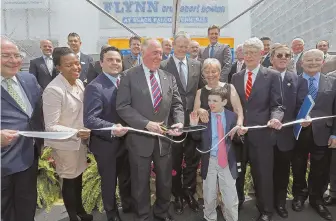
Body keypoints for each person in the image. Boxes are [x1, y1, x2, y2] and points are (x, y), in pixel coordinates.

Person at [116, 38, 184, 221]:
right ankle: (143, 216)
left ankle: (162, 212)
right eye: (155, 52)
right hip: (140, 137)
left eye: (161, 53)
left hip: (164, 140)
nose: (159, 56)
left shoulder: (168, 77)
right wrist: (146, 123)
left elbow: (177, 104)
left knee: (164, 180)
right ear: (144, 52)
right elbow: (122, 106)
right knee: (140, 182)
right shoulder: (128, 76)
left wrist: (178, 121)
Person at [231, 37, 284, 221]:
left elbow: (278, 105)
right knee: (237, 174)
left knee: (262, 175)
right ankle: (235, 204)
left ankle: (266, 210)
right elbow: (233, 106)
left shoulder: (273, 76)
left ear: (261, 54)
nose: (249, 56)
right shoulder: (236, 77)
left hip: (262, 135)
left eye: (253, 52)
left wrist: (275, 119)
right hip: (239, 136)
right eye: (246, 52)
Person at [43, 47, 92, 221]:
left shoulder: (78, 82)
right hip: (65, 144)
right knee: (70, 180)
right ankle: (73, 216)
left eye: (77, 63)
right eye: (69, 65)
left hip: (79, 142)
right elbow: (51, 126)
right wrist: (76, 132)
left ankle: (80, 210)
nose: (75, 67)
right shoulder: (53, 90)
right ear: (58, 67)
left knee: (78, 176)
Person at [84, 46, 131, 221]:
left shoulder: (124, 82)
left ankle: (128, 205)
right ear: (101, 63)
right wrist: (112, 128)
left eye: (118, 60)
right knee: (109, 181)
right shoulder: (95, 87)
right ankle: (111, 214)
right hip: (106, 144)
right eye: (110, 60)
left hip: (126, 141)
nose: (115, 63)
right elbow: (90, 119)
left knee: (126, 177)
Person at [1, 38, 44, 221]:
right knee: (6, 210)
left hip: (29, 155)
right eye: (6, 56)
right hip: (4, 159)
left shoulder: (29, 79)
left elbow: (41, 111)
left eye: (17, 55)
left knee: (27, 207)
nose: (14, 60)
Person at [160, 31, 203, 215]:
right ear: (173, 45)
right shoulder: (163, 65)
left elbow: (200, 90)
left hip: (193, 120)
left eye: (186, 46)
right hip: (172, 120)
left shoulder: (197, 64)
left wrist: (200, 110)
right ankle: (176, 194)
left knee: (192, 159)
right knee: (175, 160)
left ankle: (189, 192)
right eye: (180, 45)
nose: (183, 49)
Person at [193, 58, 244, 210]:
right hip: (209, 143)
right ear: (203, 74)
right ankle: (212, 206)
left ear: (220, 72)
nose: (210, 74)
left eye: (213, 71)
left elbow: (238, 111)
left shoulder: (229, 88)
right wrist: (200, 110)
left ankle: (227, 206)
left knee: (228, 177)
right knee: (210, 179)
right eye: (206, 71)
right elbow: (194, 114)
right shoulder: (200, 92)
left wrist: (239, 125)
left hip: (228, 141)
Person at [291, 49, 336, 221]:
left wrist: (335, 134)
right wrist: (298, 119)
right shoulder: (293, 81)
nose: (313, 63)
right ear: (301, 63)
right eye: (308, 60)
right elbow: (287, 107)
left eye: (317, 60)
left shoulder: (332, 82)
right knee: (298, 165)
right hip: (299, 131)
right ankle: (299, 196)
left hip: (323, 133)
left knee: (320, 168)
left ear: (323, 62)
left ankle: (317, 199)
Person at [269, 45, 308, 218]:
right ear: (272, 58)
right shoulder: (262, 77)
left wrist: (306, 117)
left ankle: (280, 203)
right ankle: (265, 202)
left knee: (282, 171)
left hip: (286, 136)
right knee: (264, 171)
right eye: (279, 55)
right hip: (265, 134)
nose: (283, 57)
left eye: (287, 55)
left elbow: (301, 106)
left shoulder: (298, 80)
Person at [190, 87, 239, 221]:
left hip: (227, 161)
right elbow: (196, 137)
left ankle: (232, 218)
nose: (211, 103)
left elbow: (238, 139)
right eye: (209, 100)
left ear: (224, 102)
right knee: (209, 195)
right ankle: (210, 217)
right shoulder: (204, 116)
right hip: (210, 160)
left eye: (215, 101)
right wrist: (194, 125)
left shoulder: (232, 116)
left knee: (230, 196)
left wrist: (239, 133)